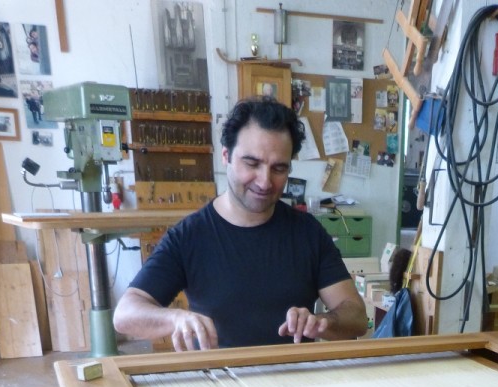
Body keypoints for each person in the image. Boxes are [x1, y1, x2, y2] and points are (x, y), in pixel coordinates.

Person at [113, 97, 367, 351]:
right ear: (226, 156)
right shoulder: (189, 236)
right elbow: (125, 315)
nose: (265, 181)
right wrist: (175, 318)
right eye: (252, 163)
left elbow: (356, 317)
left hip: (293, 373)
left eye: (279, 169)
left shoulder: (308, 232)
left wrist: (321, 322)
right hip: (220, 374)